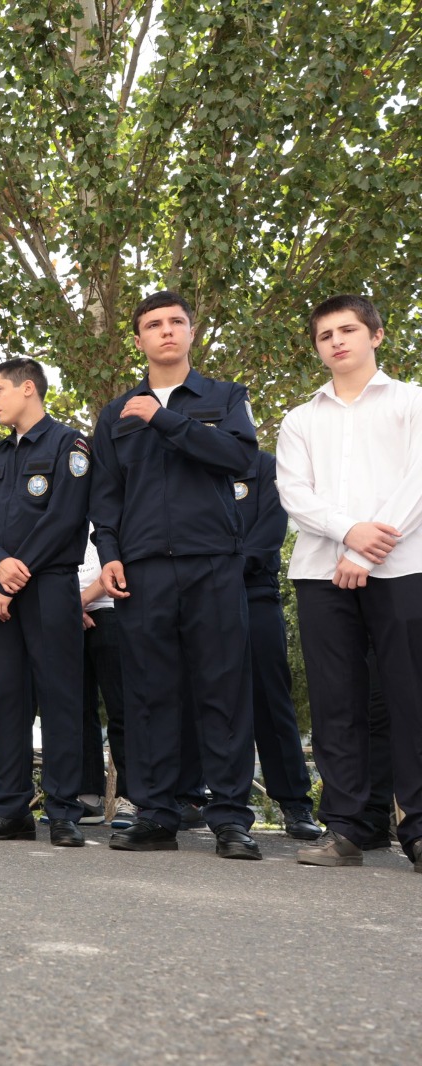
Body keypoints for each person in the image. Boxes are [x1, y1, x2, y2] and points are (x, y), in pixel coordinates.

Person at [90, 290, 262, 861]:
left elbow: (240, 459)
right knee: (149, 693)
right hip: (142, 570)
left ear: (191, 332)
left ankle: (231, 819)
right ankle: (156, 814)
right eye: (154, 324)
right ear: (139, 338)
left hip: (213, 561)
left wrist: (164, 419)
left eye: (176, 322)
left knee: (223, 690)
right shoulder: (115, 413)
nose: (166, 331)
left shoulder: (225, 397)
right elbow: (106, 493)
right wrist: (109, 550)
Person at [276, 295, 422, 872]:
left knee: (411, 698)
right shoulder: (300, 419)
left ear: (376, 335)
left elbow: (417, 481)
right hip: (320, 573)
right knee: (336, 702)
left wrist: (366, 548)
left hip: (403, 567)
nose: (337, 341)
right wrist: (348, 534)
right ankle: (347, 828)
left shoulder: (411, 401)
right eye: (325, 335)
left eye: (348, 330)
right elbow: (295, 493)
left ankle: (418, 828)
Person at [0, 359, 90, 846]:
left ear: (28, 388)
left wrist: (13, 578)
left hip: (49, 586)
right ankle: (13, 810)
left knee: (60, 698)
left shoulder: (69, 444)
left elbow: (65, 516)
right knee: (7, 700)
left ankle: (63, 812)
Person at [233, 451, 320, 840]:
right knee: (193, 696)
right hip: (198, 593)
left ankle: (295, 803)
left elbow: (269, 530)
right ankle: (191, 798)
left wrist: (223, 569)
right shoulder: (191, 460)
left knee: (270, 699)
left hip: (253, 591)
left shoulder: (265, 466)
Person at [78, 535, 130, 827]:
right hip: (68, 614)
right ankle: (88, 796)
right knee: (78, 708)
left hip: (111, 608)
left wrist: (80, 601)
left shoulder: (111, 511)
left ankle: (131, 797)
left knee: (121, 708)